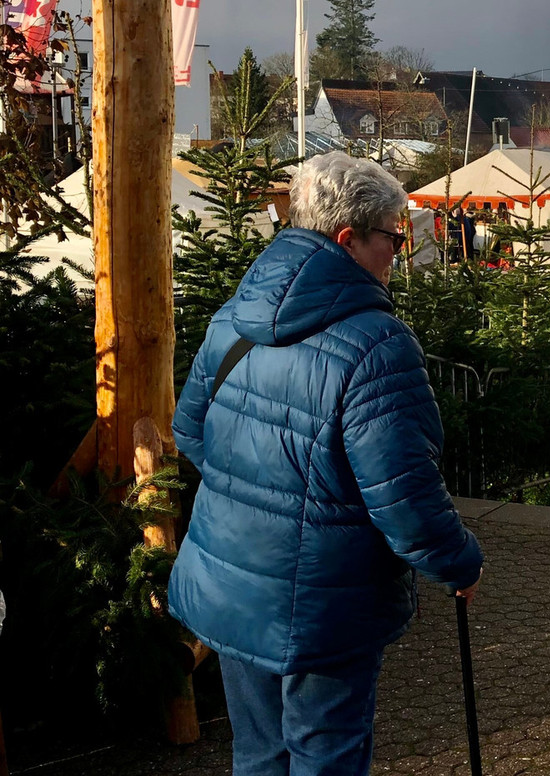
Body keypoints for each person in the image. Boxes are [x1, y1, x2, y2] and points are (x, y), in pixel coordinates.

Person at [169, 152, 483, 776]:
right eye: (395, 237)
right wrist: (458, 562)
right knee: (327, 757)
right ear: (350, 240)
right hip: (324, 603)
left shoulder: (235, 316)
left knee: (259, 755)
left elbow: (190, 433)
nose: (400, 251)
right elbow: (406, 497)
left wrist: (264, 494)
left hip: (230, 579)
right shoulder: (377, 343)